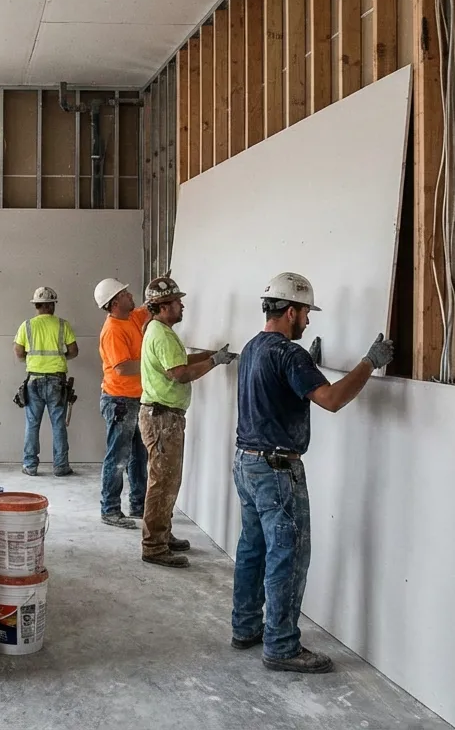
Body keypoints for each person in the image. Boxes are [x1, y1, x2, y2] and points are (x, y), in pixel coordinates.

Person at [229, 271, 393, 674]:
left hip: (247, 463)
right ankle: (282, 646)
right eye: (305, 313)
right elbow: (333, 400)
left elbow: (276, 389)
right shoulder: (288, 354)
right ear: (290, 311)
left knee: (253, 549)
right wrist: (370, 362)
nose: (308, 321)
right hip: (277, 470)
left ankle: (246, 627)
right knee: (288, 554)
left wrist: (308, 365)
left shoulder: (254, 348)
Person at [138, 276, 236, 567]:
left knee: (168, 480)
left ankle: (162, 534)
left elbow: (181, 362)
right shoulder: (161, 334)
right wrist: (214, 362)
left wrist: (211, 355)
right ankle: (153, 547)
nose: (182, 306)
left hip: (163, 416)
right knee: (162, 482)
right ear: (163, 306)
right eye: (177, 302)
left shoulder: (160, 331)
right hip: (162, 417)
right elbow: (179, 374)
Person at [94, 278, 149, 529]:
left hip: (135, 399)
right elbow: (123, 367)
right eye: (125, 293)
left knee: (139, 454)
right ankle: (110, 510)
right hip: (120, 401)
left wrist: (162, 284)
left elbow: (149, 306)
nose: (130, 295)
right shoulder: (114, 329)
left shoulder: (132, 318)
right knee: (117, 457)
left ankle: (138, 504)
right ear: (115, 303)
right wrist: (153, 365)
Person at [13, 286, 78, 477]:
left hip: (34, 380)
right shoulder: (62, 325)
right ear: (51, 305)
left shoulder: (26, 326)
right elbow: (74, 351)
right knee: (58, 423)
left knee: (32, 424)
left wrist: (33, 359)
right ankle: (60, 466)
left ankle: (30, 465)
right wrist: (60, 357)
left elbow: (18, 352)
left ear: (37, 305)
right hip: (57, 380)